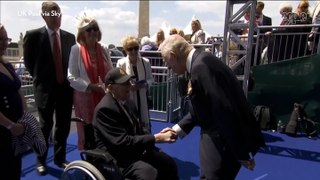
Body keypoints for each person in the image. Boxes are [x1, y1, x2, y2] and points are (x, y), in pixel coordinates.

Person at [158, 35, 265, 180]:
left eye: (167, 61)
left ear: (173, 55)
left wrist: (240, 153)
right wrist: (176, 130)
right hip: (222, 140)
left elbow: (224, 110)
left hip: (221, 142)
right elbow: (203, 107)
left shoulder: (200, 67)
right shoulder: (202, 61)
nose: (168, 67)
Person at [93, 67, 179, 180]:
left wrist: (155, 137)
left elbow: (139, 128)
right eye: (124, 83)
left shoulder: (128, 102)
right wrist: (156, 138)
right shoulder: (105, 109)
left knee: (168, 163)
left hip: (133, 150)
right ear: (111, 87)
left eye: (129, 81)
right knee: (150, 174)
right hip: (117, 157)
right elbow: (122, 142)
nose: (129, 85)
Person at [23, 1, 76, 175]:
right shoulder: (33, 36)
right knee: (45, 127)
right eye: (52, 14)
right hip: (44, 90)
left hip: (65, 89)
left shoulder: (70, 37)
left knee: (63, 125)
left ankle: (60, 158)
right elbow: (30, 64)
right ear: (43, 15)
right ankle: (41, 160)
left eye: (58, 13)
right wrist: (42, 80)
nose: (56, 17)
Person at [68, 13, 113, 150]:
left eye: (95, 28)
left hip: (104, 95)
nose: (93, 32)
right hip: (85, 97)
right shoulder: (76, 50)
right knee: (89, 131)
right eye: (88, 29)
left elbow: (110, 71)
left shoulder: (104, 48)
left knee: (105, 127)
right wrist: (92, 87)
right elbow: (71, 77)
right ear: (82, 33)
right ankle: (90, 156)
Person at [0, 23, 26, 180]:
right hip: (3, 131)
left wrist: (25, 118)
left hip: (16, 128)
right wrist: (10, 125)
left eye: (6, 39)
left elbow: (19, 90)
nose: (5, 43)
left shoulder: (7, 64)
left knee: (14, 168)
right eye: (0, 39)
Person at [117, 36, 154, 133]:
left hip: (142, 97)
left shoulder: (145, 62)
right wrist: (129, 86)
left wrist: (144, 84)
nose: (133, 51)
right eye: (130, 49)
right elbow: (118, 82)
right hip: (128, 97)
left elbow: (150, 79)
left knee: (144, 122)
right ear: (125, 50)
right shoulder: (121, 63)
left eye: (136, 48)